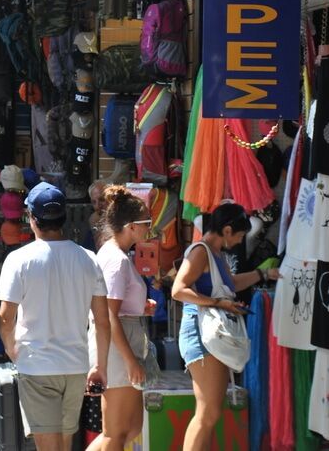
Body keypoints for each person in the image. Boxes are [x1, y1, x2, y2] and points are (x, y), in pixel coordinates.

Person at [0, 182, 110, 451]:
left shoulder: (19, 259)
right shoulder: (88, 259)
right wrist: (101, 366)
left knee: (48, 446)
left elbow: (5, 317)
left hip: (36, 364)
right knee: (64, 443)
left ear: (32, 219)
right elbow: (102, 321)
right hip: (75, 365)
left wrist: (11, 348)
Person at [170, 204, 279, 451]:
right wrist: (219, 303)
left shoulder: (215, 253)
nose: (240, 241)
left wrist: (263, 275)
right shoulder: (201, 251)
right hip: (201, 334)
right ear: (227, 230)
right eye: (240, 236)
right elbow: (178, 290)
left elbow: (230, 284)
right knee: (207, 413)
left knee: (210, 412)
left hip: (210, 334)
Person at [87, 186, 157, 451]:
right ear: (131, 227)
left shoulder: (114, 255)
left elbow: (113, 309)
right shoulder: (116, 259)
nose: (149, 228)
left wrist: (140, 306)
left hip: (122, 341)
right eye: (146, 223)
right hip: (119, 347)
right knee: (116, 432)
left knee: (127, 430)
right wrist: (130, 361)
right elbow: (108, 314)